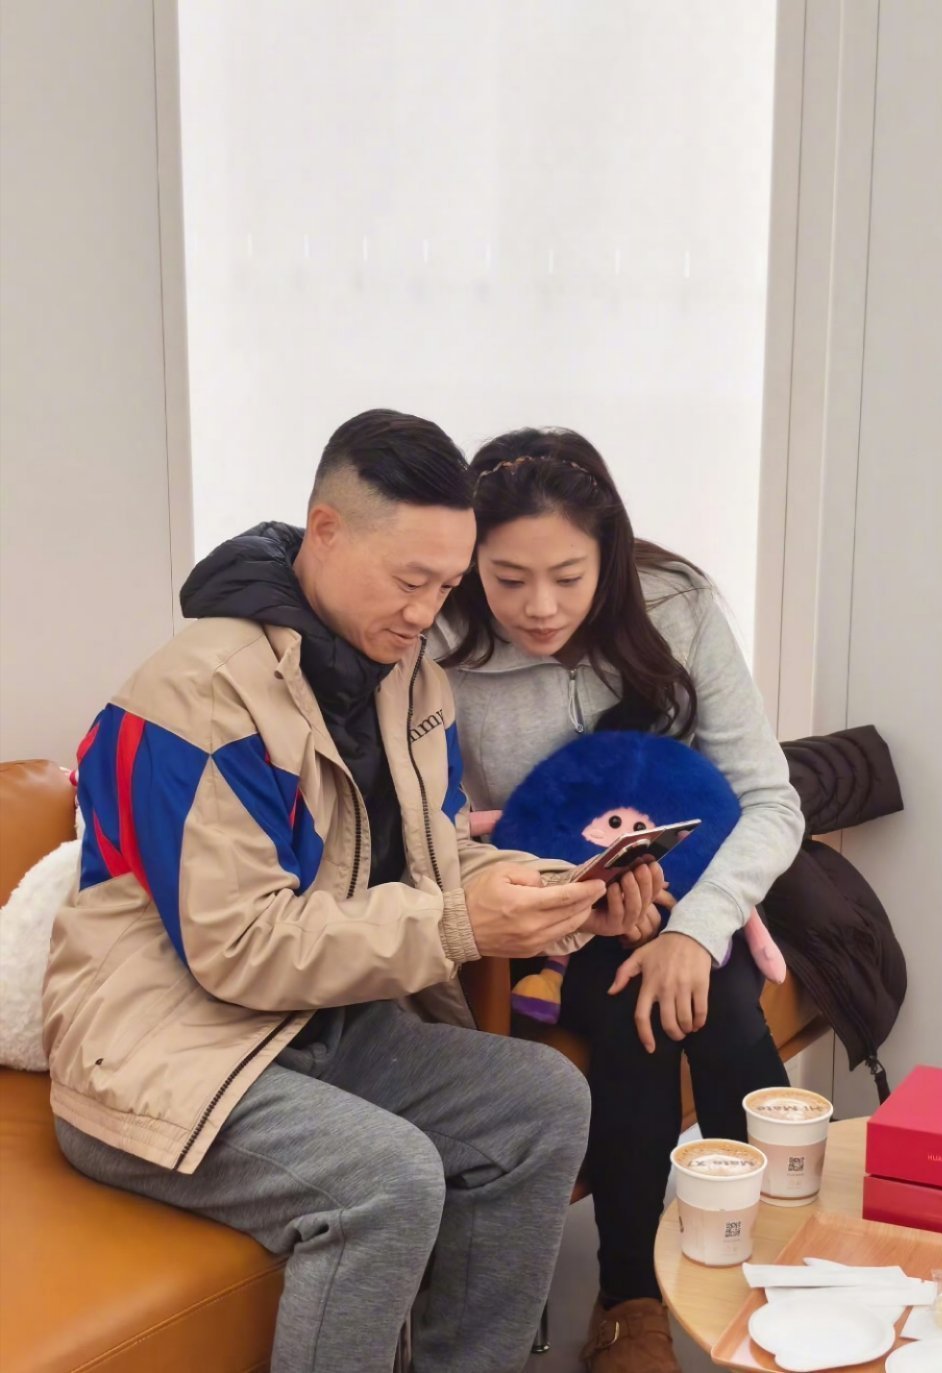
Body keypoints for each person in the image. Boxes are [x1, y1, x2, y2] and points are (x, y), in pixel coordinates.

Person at [42, 409, 664, 1373]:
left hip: (318, 1030)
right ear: (325, 532)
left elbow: (437, 856)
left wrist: (560, 892)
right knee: (388, 1178)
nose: (427, 612)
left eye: (447, 586)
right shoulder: (196, 699)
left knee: (542, 1101)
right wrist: (459, 923)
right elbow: (241, 949)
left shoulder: (407, 679)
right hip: (165, 1059)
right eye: (410, 581)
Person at [432, 427, 805, 1373]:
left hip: (692, 891)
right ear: (471, 561)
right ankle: (640, 1298)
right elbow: (432, 828)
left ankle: (768, 1268)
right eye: (508, 578)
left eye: (568, 576)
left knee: (708, 997)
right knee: (644, 1010)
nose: (540, 606)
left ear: (611, 556)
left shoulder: (674, 605)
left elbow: (771, 800)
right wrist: (569, 904)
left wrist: (694, 930)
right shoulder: (436, 639)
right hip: (536, 910)